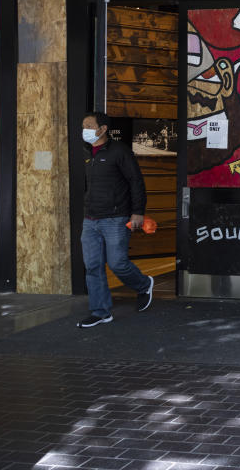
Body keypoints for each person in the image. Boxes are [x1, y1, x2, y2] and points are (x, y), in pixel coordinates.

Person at [77, 111, 153, 328]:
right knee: (93, 266)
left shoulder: (119, 151)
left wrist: (138, 212)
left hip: (116, 218)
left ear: (102, 129)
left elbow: (136, 181)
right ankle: (100, 312)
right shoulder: (87, 152)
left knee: (118, 263)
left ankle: (143, 284)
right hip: (91, 220)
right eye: (84, 125)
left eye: (89, 125)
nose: (85, 129)